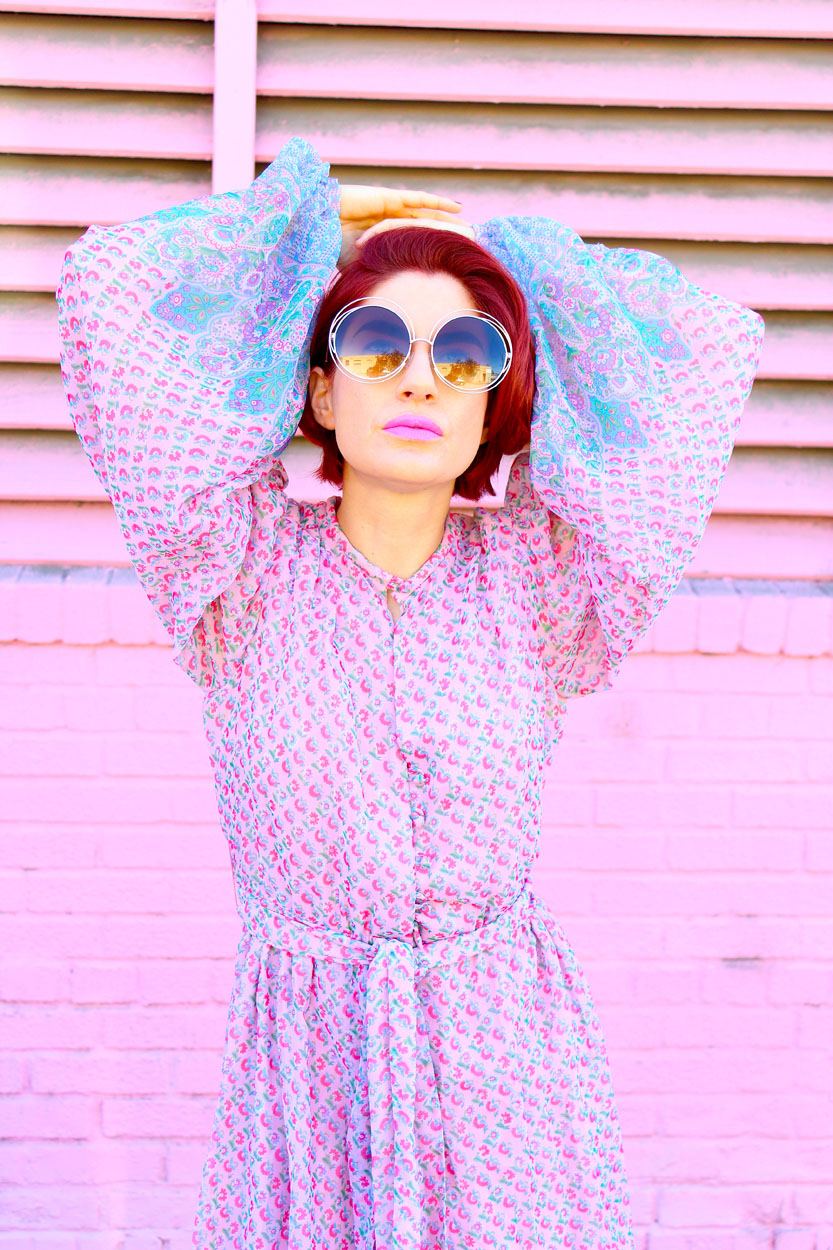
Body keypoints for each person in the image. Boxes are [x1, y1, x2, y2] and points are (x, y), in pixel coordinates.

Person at [56, 136, 764, 1250]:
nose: (421, 377)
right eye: (376, 344)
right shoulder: (236, 567)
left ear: (495, 402)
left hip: (507, 1077)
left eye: (465, 353)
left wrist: (516, 268)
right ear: (318, 390)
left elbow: (703, 355)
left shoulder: (537, 576)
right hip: (310, 1080)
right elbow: (108, 294)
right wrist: (310, 229)